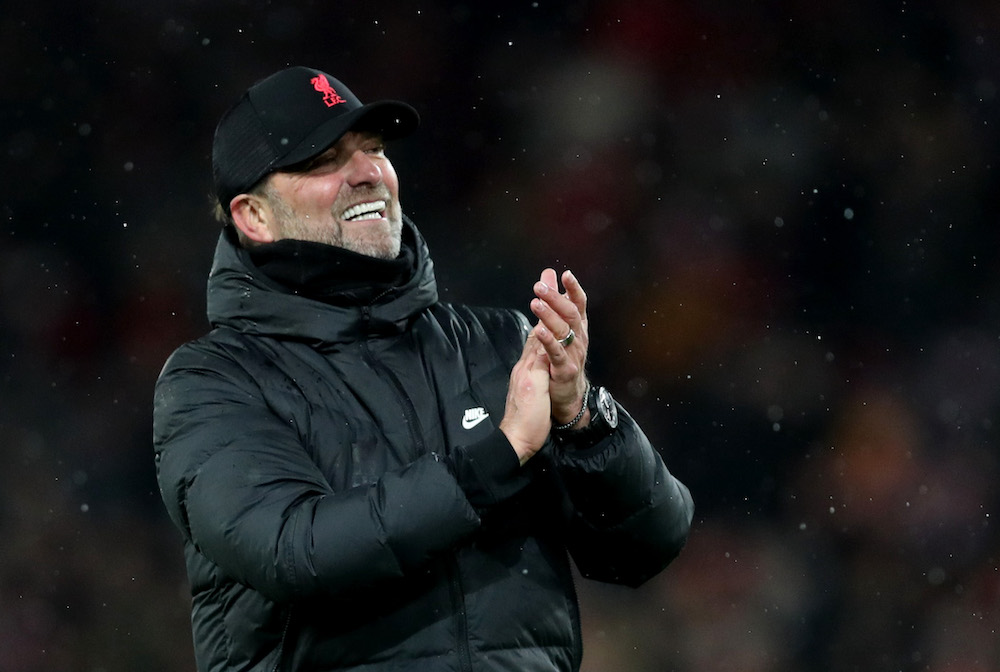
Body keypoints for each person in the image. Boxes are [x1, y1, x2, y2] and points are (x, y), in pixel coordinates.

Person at [153, 65, 694, 672]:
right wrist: (498, 456)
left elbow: (644, 547)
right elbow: (295, 551)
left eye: (375, 149)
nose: (368, 172)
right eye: (324, 160)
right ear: (254, 215)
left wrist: (584, 420)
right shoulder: (213, 382)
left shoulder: (497, 345)